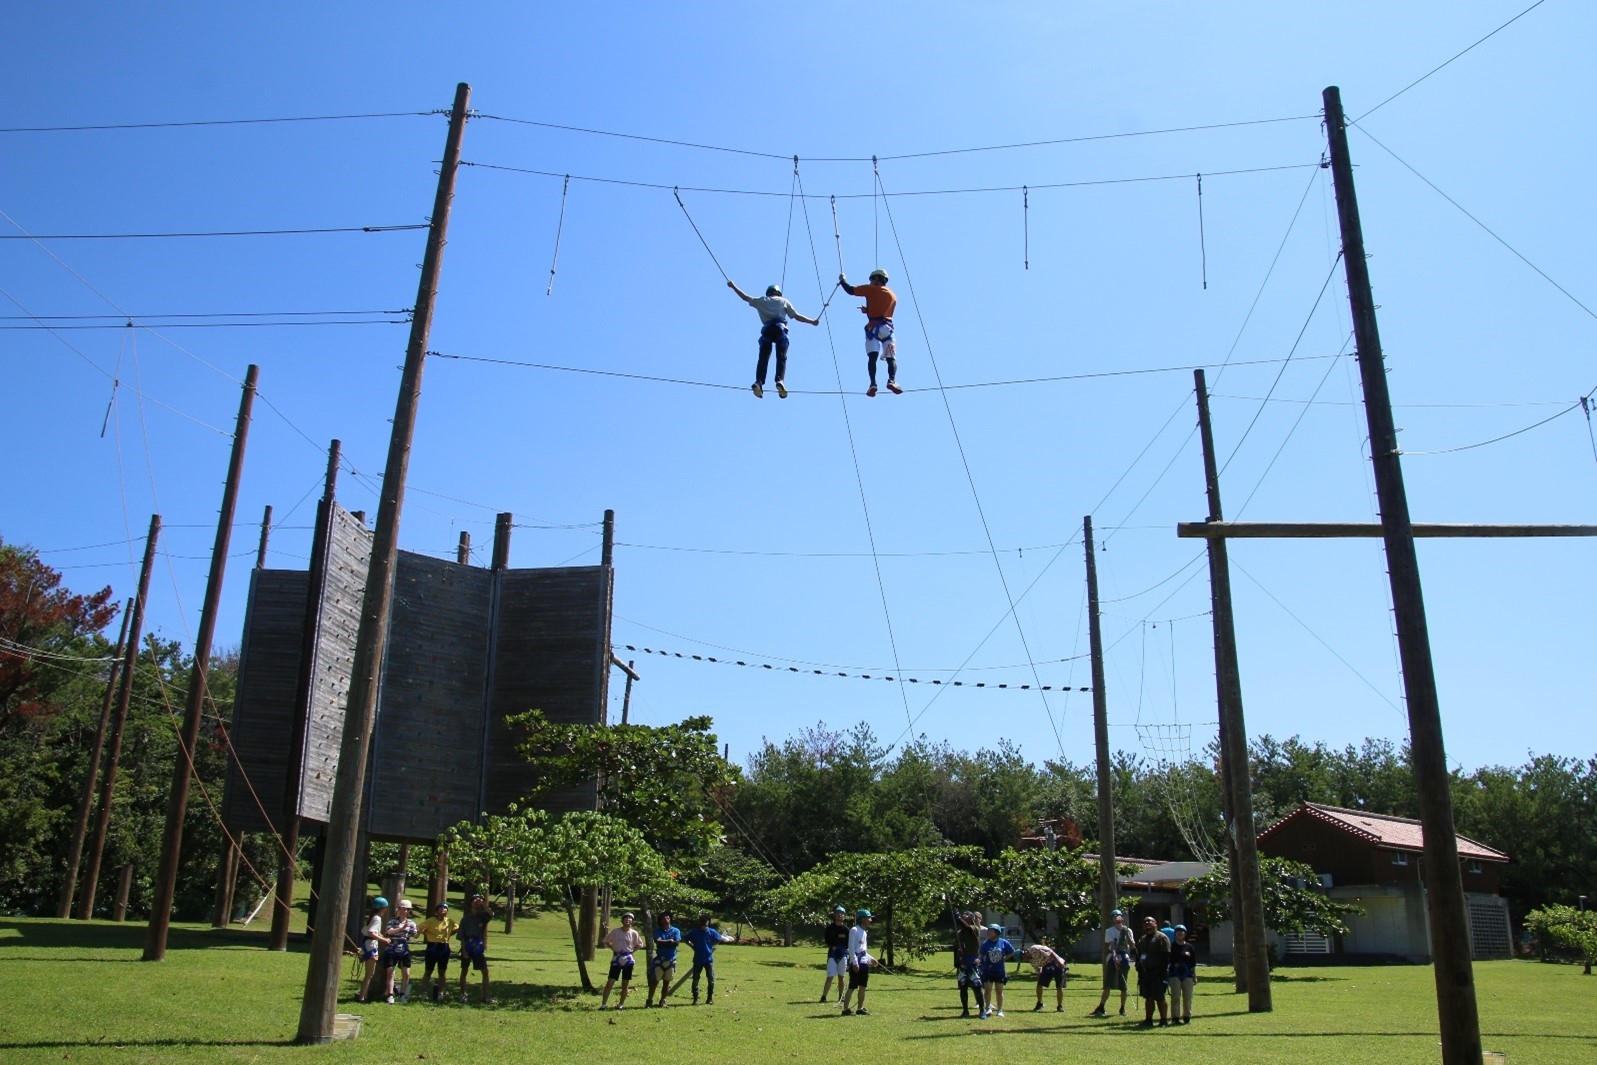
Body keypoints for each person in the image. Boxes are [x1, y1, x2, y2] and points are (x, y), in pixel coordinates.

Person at [727, 281, 819, 399]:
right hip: (780, 330)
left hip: (767, 331)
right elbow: (796, 316)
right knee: (781, 356)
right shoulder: (784, 301)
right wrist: (812, 321)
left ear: (768, 293)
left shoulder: (762, 301)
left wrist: (733, 286)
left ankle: (759, 382)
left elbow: (744, 297)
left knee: (763, 358)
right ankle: (779, 380)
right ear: (778, 293)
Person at [838, 268, 900, 397]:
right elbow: (882, 310)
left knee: (872, 357)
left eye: (872, 279)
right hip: (888, 330)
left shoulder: (871, 289)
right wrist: (868, 310)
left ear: (877, 279)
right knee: (891, 358)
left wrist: (842, 280)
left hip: (873, 329)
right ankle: (892, 380)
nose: (870, 282)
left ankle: (873, 383)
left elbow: (850, 290)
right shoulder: (893, 296)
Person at [1089, 909, 1133, 1017]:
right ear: (1112, 919)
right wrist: (1114, 958)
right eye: (1114, 917)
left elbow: (1131, 944)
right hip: (1113, 957)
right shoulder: (1109, 931)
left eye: (1118, 916)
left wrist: (1127, 935)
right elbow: (1112, 946)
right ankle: (1101, 1007)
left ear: (1122, 918)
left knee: (1124, 985)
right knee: (1108, 984)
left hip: (1124, 957)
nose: (1116, 918)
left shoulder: (1128, 930)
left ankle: (1122, 1008)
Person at [599, 911, 645, 1010]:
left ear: (632, 921)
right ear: (622, 920)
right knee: (610, 982)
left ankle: (620, 1005)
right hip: (617, 959)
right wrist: (613, 949)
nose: (628, 920)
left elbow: (640, 944)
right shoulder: (615, 932)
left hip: (628, 960)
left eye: (630, 918)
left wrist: (632, 951)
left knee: (625, 984)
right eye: (626, 918)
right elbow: (606, 941)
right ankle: (603, 1004)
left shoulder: (634, 933)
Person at [684, 914, 733, 1005]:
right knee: (695, 980)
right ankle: (695, 999)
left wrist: (711, 945)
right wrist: (692, 946)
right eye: (703, 925)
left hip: (708, 960)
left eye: (706, 925)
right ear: (700, 924)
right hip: (698, 960)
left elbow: (718, 938)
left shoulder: (712, 932)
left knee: (711, 980)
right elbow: (686, 939)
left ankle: (709, 998)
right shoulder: (694, 932)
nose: (704, 927)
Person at [417, 900, 459, 1003]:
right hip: (432, 947)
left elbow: (456, 928)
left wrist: (449, 935)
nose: (443, 909)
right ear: (437, 910)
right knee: (428, 971)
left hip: (444, 947)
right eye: (441, 908)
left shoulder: (450, 921)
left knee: (442, 971)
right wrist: (426, 934)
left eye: (445, 908)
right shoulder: (430, 920)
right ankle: (423, 993)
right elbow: (420, 928)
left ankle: (440, 993)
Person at [456, 893, 494, 1005]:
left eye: (480, 899)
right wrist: (463, 950)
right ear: (471, 902)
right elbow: (461, 936)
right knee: (464, 970)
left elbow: (491, 914)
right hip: (467, 945)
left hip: (478, 946)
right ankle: (463, 994)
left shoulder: (483, 916)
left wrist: (484, 904)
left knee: (485, 971)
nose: (478, 901)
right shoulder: (465, 919)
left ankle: (486, 996)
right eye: (476, 900)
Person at [1135, 915, 1172, 1027]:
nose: (1147, 924)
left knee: (1160, 997)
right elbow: (1139, 955)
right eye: (1145, 922)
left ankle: (1163, 1020)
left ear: (1155, 924)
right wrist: (1139, 968)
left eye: (1150, 922)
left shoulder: (1162, 937)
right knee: (1148, 997)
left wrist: (1163, 973)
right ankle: (1148, 1020)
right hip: (1146, 973)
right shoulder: (1142, 939)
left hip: (1158, 972)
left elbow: (1166, 956)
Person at [381, 899, 419, 1003]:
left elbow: (415, 935)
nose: (404, 911)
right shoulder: (392, 921)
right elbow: (389, 932)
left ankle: (402, 995)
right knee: (390, 972)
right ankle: (390, 995)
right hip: (392, 948)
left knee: (406, 973)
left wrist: (421, 930)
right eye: (402, 909)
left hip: (404, 949)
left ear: (409, 911)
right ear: (398, 909)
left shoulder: (411, 923)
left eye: (406, 909)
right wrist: (401, 928)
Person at [840, 909, 876, 1016]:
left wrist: (871, 959)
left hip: (864, 963)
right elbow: (851, 949)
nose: (870, 920)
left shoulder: (864, 932)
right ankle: (845, 1009)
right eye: (869, 918)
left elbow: (863, 951)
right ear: (862, 919)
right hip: (856, 964)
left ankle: (860, 1008)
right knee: (852, 986)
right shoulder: (854, 930)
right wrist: (855, 963)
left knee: (863, 986)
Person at [355, 896, 390, 1004]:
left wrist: (379, 935)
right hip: (371, 946)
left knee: (369, 974)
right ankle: (361, 996)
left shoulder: (372, 917)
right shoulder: (377, 918)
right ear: (383, 908)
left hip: (367, 944)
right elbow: (371, 932)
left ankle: (363, 995)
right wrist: (384, 940)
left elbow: (367, 931)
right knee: (369, 974)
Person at [978, 923, 1016, 1019]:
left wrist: (1004, 959)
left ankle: (1000, 1010)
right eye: (988, 930)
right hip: (988, 970)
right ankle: (988, 1008)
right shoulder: (985, 943)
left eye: (991, 931)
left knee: (999, 991)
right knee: (987, 990)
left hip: (999, 970)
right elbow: (980, 955)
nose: (989, 932)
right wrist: (978, 961)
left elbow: (1012, 951)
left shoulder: (1003, 942)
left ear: (997, 932)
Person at [645, 911, 681, 1007]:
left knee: (666, 982)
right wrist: (669, 941)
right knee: (654, 981)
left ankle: (663, 1001)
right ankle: (649, 1001)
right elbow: (657, 941)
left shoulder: (676, 930)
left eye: (668, 918)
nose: (666, 919)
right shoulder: (658, 931)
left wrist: (665, 942)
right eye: (664, 918)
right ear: (660, 921)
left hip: (671, 959)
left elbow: (677, 942)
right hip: (659, 960)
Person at [952, 911, 984, 1018]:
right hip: (962, 962)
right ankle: (965, 1011)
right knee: (963, 987)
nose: (963, 917)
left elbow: (967, 928)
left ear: (971, 918)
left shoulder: (975, 928)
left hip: (972, 961)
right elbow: (956, 948)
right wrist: (956, 962)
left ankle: (982, 1010)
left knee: (976, 986)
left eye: (965, 916)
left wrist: (958, 918)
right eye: (962, 915)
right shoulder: (959, 933)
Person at [1024, 941, 1069, 1012]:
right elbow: (1037, 968)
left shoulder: (1034, 948)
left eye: (1023, 955)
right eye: (1023, 959)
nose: (1025, 958)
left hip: (1055, 962)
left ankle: (1060, 1006)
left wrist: (1059, 963)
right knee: (1039, 985)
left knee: (1059, 986)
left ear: (1025, 952)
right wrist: (1040, 976)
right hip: (1046, 966)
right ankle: (1040, 1003)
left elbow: (1050, 953)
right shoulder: (1031, 961)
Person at [1167, 924, 1197, 1024]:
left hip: (1187, 974)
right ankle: (1175, 1017)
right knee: (1175, 996)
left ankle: (1187, 1016)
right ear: (1175, 933)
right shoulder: (1171, 946)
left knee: (1188, 996)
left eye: (1182, 931)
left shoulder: (1189, 947)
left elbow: (1193, 963)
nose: (1180, 933)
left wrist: (1194, 976)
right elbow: (1168, 961)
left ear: (1185, 934)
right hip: (1175, 974)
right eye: (1178, 931)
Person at [821, 906, 851, 1004]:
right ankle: (824, 996)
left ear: (844, 916)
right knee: (830, 976)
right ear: (834, 915)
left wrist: (845, 949)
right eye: (838, 913)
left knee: (841, 977)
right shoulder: (830, 928)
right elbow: (827, 940)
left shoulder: (847, 930)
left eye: (842, 913)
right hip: (832, 955)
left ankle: (841, 997)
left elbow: (849, 942)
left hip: (843, 955)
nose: (840, 915)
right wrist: (832, 946)